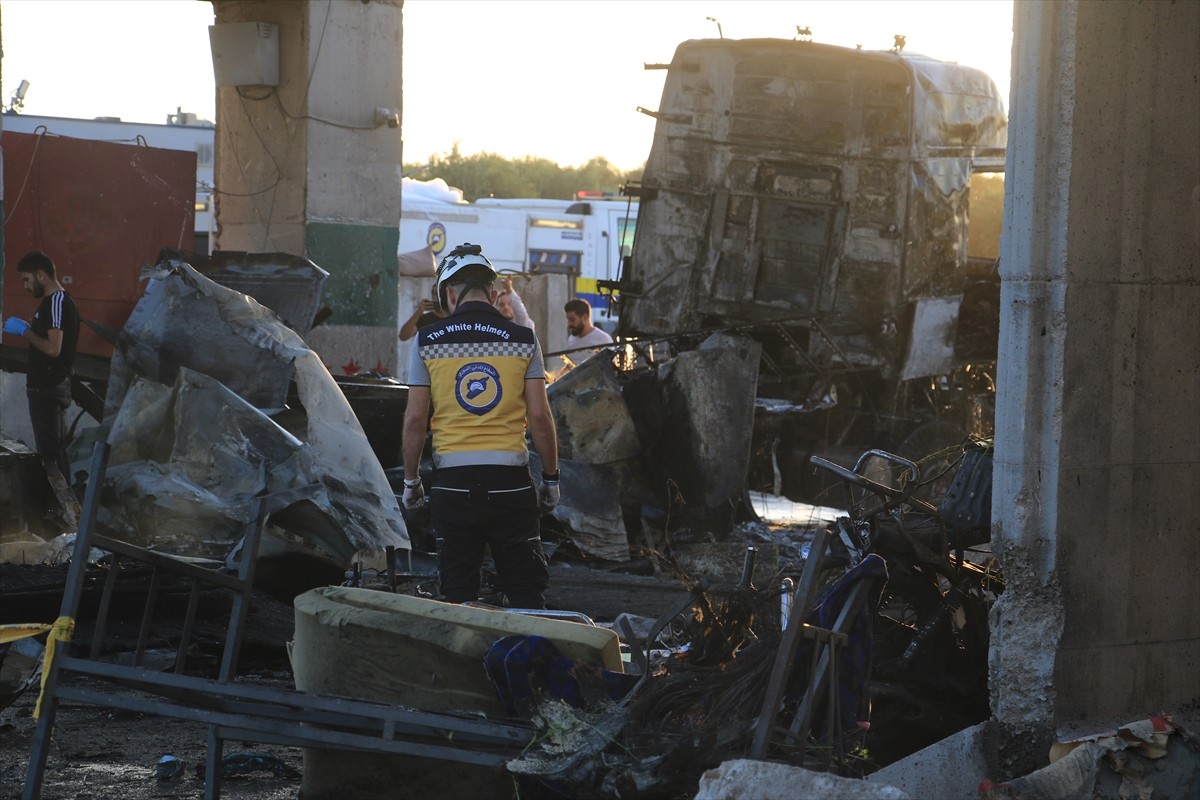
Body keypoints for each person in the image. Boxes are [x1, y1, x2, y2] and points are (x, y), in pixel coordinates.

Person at [401, 242, 559, 609]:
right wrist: (550, 479)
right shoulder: (523, 339)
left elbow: (414, 419)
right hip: (511, 485)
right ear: (493, 292)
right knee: (525, 593)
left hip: (452, 486)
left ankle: (464, 663)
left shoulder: (427, 341)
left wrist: (411, 482)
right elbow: (539, 417)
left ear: (450, 294)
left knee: (458, 596)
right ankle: (526, 662)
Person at [3, 251, 80, 483]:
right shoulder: (54, 304)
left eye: (27, 279)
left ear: (41, 275)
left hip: (47, 387)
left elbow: (53, 349)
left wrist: (25, 331)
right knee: (56, 451)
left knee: (50, 455)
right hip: (49, 386)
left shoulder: (55, 302)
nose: (26, 286)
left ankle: (61, 510)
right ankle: (68, 511)